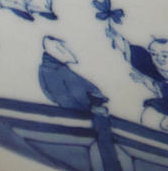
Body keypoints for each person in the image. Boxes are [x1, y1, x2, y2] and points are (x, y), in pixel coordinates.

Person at [38, 36, 124, 171]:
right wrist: (91, 108)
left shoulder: (57, 69)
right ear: (56, 49)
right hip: (86, 117)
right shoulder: (53, 71)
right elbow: (66, 98)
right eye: (61, 47)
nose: (65, 50)